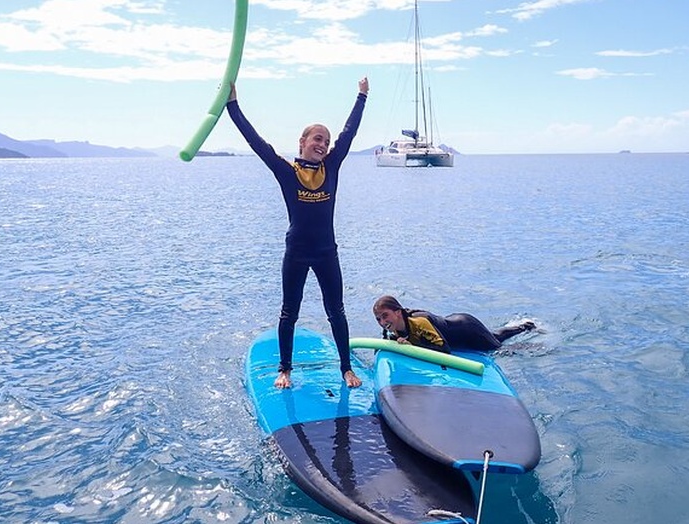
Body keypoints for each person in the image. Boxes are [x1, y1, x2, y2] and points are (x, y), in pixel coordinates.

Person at [227, 78, 369, 389]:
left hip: (326, 252)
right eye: (317, 138)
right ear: (302, 141)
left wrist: (361, 96)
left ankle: (346, 368)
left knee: (337, 311)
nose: (323, 144)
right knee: (289, 311)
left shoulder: (332, 166)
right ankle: (285, 370)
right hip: (297, 252)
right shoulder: (286, 171)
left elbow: (349, 133)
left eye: (326, 141)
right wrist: (232, 104)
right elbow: (255, 141)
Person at [372, 295, 539, 353]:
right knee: (495, 334)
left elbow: (444, 349)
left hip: (467, 330)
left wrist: (410, 346)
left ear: (398, 312)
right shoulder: (394, 329)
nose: (382, 322)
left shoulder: (418, 322)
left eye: (385, 316)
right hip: (453, 322)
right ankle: (525, 325)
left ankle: (529, 334)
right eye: (378, 319)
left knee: (498, 348)